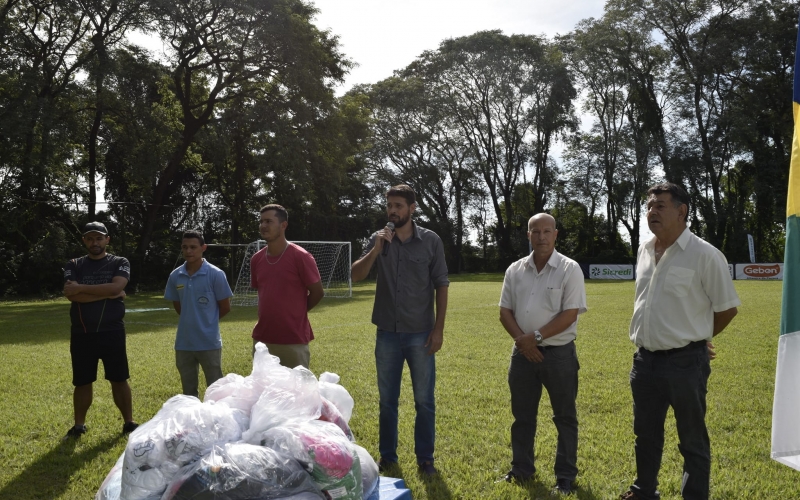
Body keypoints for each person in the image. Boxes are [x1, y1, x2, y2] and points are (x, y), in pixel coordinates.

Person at [620, 183, 740, 500]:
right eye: (649, 206)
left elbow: (727, 308)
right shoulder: (644, 250)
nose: (652, 212)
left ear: (681, 211)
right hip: (644, 361)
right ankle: (644, 491)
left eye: (660, 205)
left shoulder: (705, 255)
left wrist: (701, 336)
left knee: (692, 440)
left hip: (686, 364)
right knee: (645, 434)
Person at [351, 184, 449, 476]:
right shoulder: (379, 239)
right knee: (387, 401)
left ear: (412, 208)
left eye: (398, 206)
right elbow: (357, 275)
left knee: (424, 400)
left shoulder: (431, 241)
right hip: (387, 334)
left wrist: (438, 330)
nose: (392, 211)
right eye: (389, 206)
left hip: (421, 333)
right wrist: (376, 249)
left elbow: (441, 284)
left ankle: (425, 459)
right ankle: (388, 457)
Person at [498, 213, 587, 495]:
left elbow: (570, 314)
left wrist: (534, 338)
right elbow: (505, 311)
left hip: (559, 355)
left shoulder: (569, 268)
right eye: (536, 231)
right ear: (528, 235)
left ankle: (565, 477)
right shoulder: (515, 270)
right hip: (522, 355)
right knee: (522, 416)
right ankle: (521, 469)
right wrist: (523, 343)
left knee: (564, 417)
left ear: (556, 234)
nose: (542, 237)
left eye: (547, 231)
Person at [63, 221, 138, 438]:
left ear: (107, 240)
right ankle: (79, 426)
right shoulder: (74, 264)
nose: (94, 242)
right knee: (82, 381)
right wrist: (109, 293)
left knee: (119, 378)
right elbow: (71, 294)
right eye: (89, 238)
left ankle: (129, 423)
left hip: (112, 331)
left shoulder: (119, 262)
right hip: (82, 332)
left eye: (98, 238)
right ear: (84, 241)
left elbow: (117, 286)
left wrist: (84, 289)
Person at [250, 204, 324, 369]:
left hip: (293, 340)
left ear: (283, 225)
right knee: (262, 392)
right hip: (263, 339)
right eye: (261, 221)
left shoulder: (301, 256)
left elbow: (317, 292)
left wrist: (297, 313)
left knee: (296, 392)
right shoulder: (256, 259)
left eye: (269, 221)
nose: (263, 225)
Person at [164, 230, 233, 398]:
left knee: (215, 391)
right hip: (184, 343)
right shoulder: (176, 275)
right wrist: (191, 320)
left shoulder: (215, 274)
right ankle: (192, 422)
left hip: (209, 343)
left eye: (193, 247)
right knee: (189, 392)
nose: (188, 251)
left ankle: (216, 421)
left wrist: (207, 323)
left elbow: (225, 306)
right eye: (185, 247)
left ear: (203, 248)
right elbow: (178, 305)